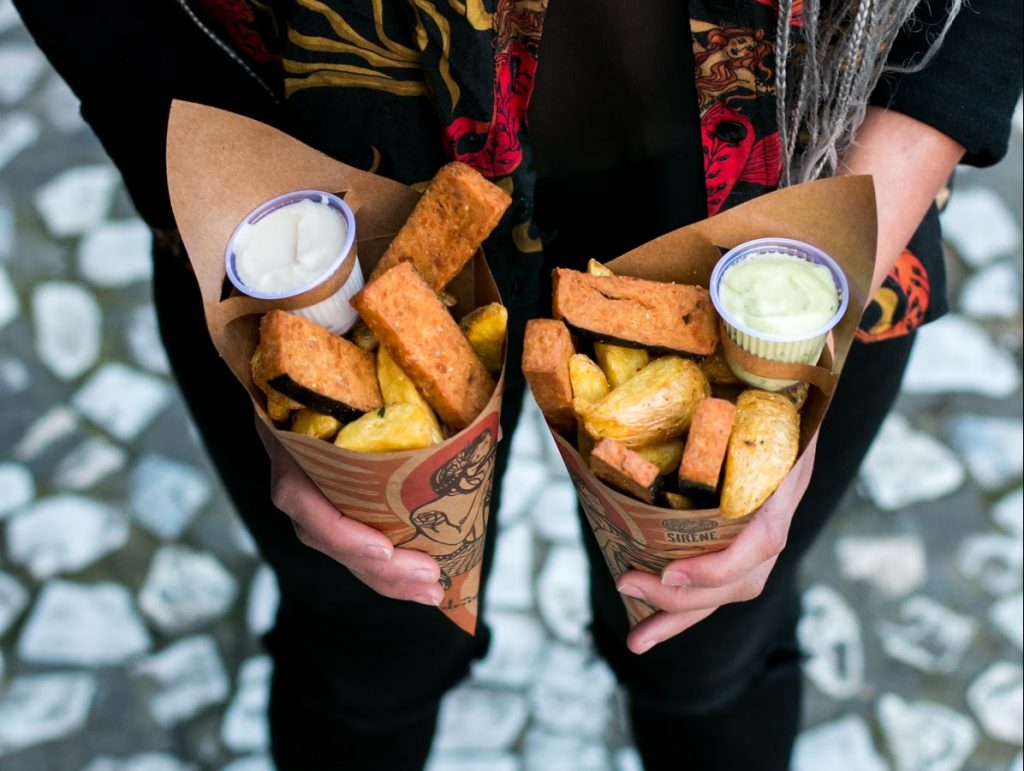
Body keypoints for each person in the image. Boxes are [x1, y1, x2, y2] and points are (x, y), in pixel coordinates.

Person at [15, 1, 1021, 769]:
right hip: (310, 163)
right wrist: (268, 297)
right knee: (370, 643)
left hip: (799, 165)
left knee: (705, 645)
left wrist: (852, 245)